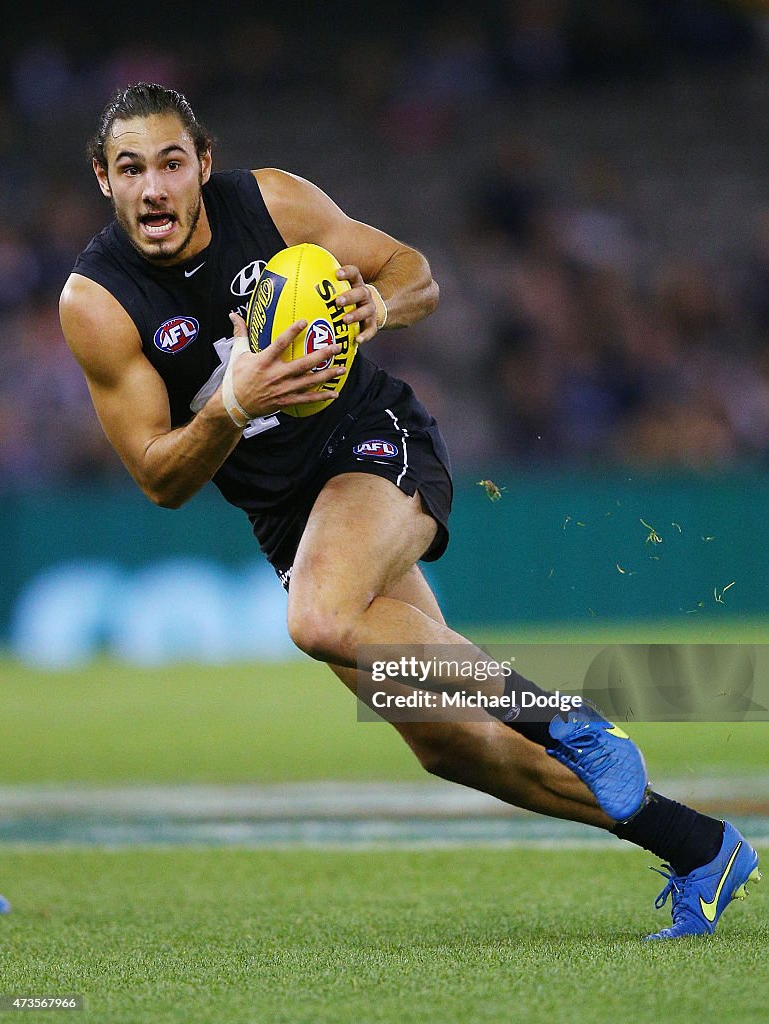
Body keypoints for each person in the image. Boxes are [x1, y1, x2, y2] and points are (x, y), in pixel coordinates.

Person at [52, 82, 758, 940]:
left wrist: (380, 306)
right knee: (449, 743)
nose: (154, 188)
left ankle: (563, 718)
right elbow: (160, 478)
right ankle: (699, 845)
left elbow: (414, 273)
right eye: (132, 169)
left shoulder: (270, 202)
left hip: (371, 442)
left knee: (318, 617)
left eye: (171, 163)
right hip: (286, 515)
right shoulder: (96, 303)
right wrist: (231, 405)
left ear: (203, 164)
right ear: (104, 178)